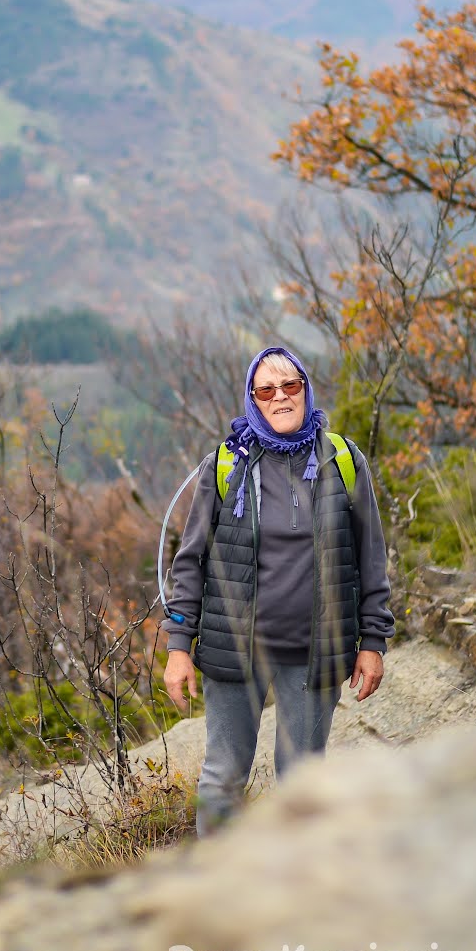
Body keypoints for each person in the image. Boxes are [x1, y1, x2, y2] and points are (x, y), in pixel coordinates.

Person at [160, 344, 393, 836]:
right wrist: (178, 646)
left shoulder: (344, 461)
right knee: (223, 777)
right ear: (252, 399)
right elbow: (190, 561)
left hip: (316, 653)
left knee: (302, 785)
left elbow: (371, 559)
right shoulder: (226, 465)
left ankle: (289, 892)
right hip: (235, 649)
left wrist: (372, 642)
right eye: (266, 389)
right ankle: (219, 887)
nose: (280, 397)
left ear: (306, 389)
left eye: (290, 385)